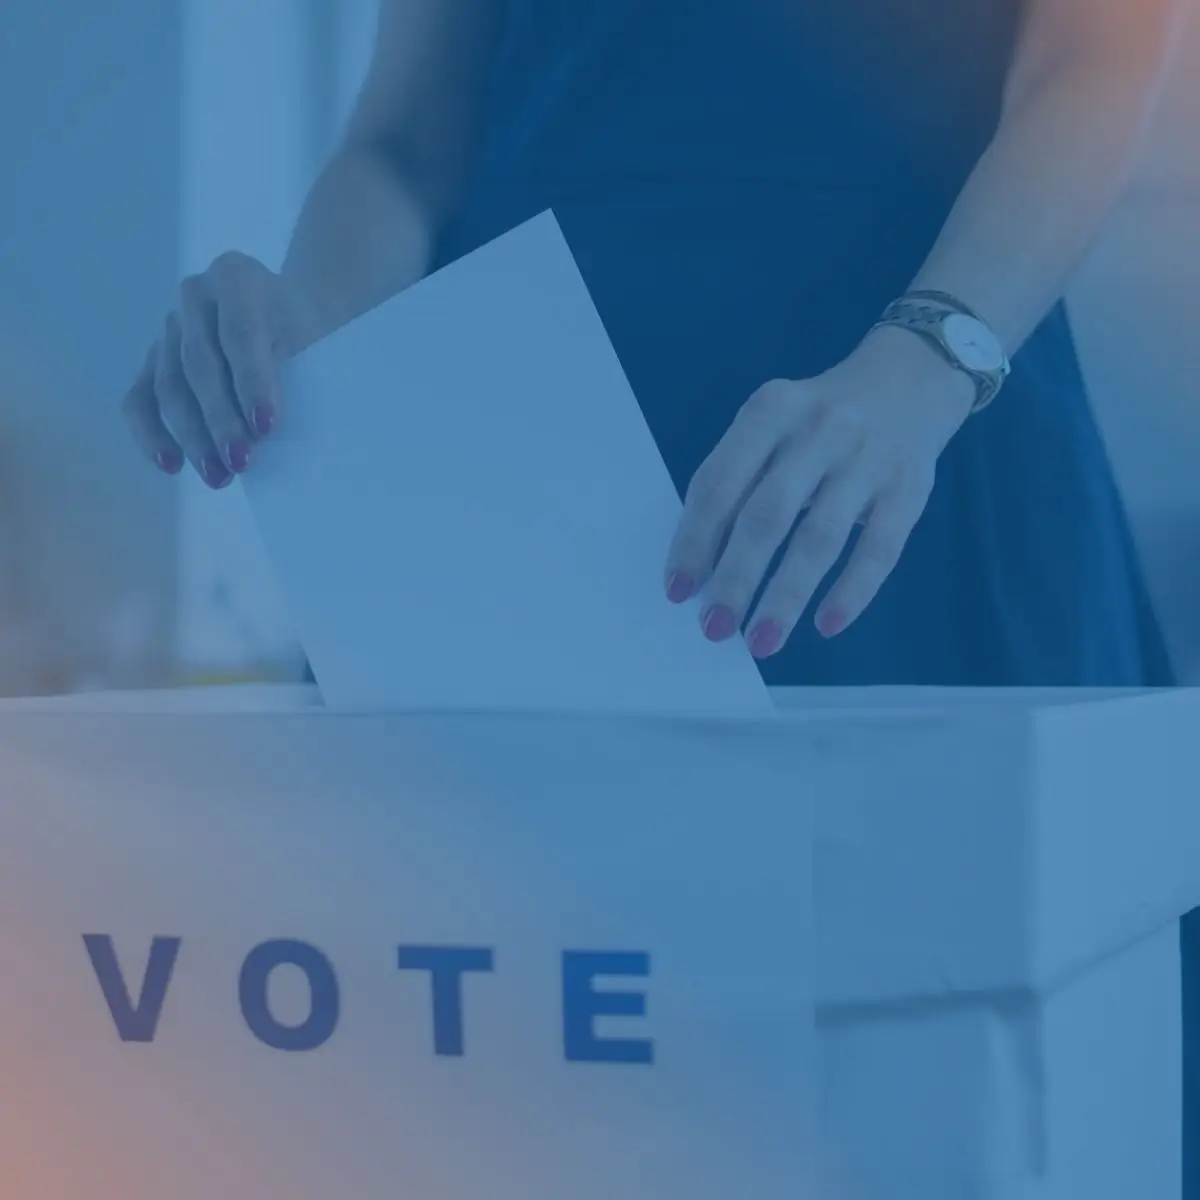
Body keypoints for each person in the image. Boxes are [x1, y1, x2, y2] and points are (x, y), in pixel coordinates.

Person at [122, 0, 1192, 1185]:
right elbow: (405, 144)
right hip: (520, 487)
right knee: (495, 1098)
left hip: (907, 451)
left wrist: (924, 365)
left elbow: (1093, 63)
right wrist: (304, 335)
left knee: (953, 1091)